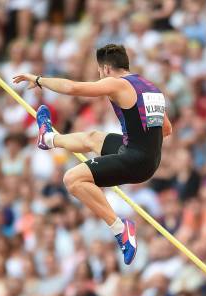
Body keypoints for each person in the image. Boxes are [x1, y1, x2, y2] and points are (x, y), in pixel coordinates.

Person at [13, 43, 172, 265]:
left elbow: (72, 88)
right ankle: (49, 138)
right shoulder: (151, 88)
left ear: (106, 69)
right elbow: (167, 129)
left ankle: (120, 229)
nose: (99, 75)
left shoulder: (118, 84)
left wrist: (39, 80)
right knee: (94, 138)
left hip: (137, 159)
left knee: (72, 179)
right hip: (145, 155)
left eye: (99, 71)